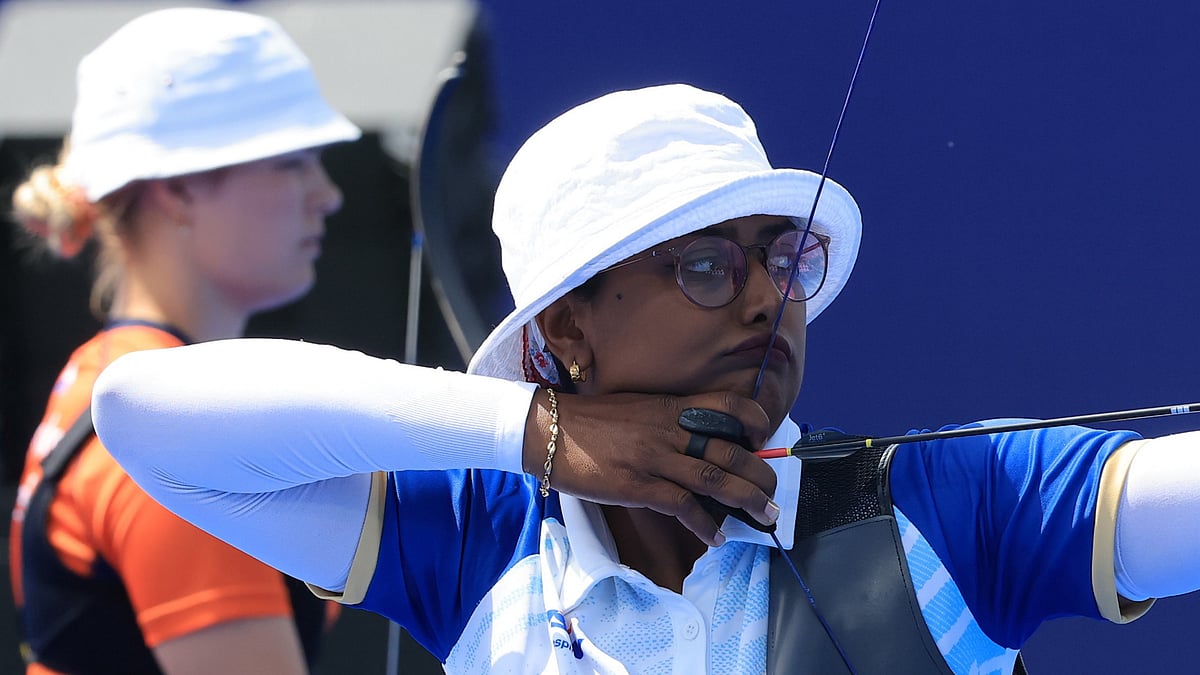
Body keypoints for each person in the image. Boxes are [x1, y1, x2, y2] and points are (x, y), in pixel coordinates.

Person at [88, 83, 1200, 674]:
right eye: (709, 266)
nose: (770, 298)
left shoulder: (957, 509)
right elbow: (142, 414)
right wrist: (535, 435)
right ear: (565, 329)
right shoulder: (476, 539)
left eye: (784, 257)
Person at [7, 8, 363, 674]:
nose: (328, 194)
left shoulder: (116, 380)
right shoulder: (170, 427)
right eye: (292, 162)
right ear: (175, 189)